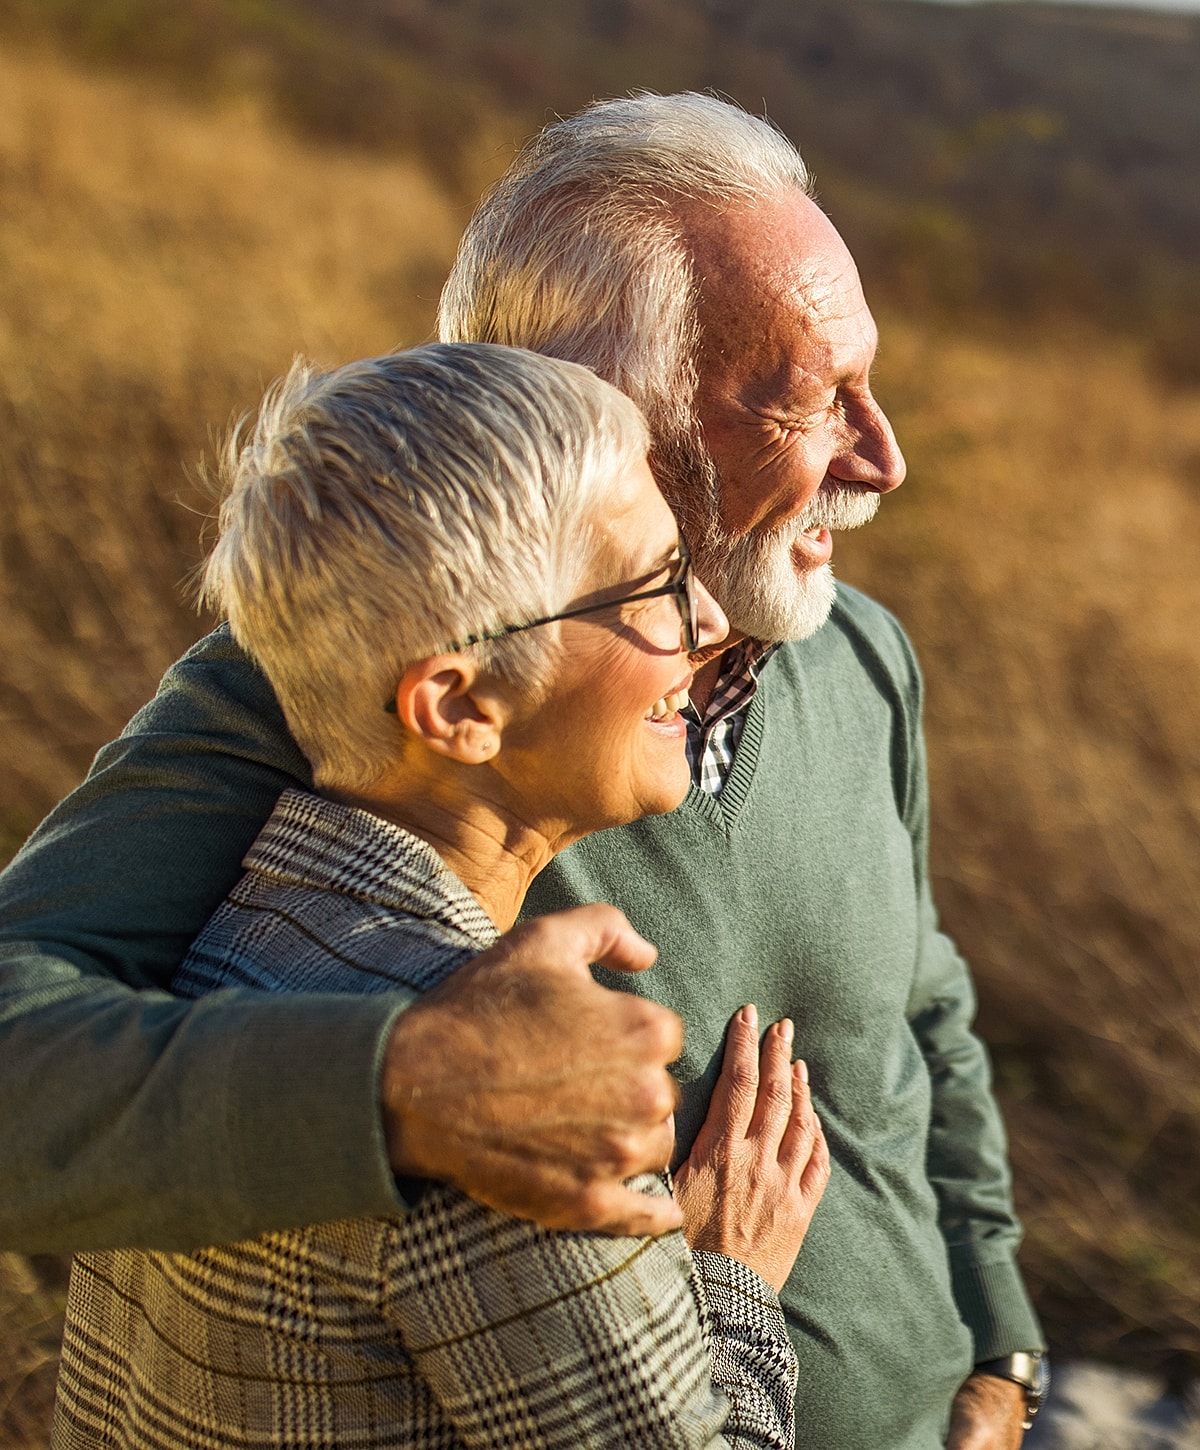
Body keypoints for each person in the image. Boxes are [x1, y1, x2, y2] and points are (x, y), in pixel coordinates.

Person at [0, 93, 1045, 1446]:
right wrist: (403, 1083)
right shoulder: (344, 681)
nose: (885, 459)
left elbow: (924, 1010)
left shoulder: (864, 653)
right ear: (596, 412)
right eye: (806, 399)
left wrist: (1002, 1350)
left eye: (870, 381)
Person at [54, 343, 827, 1449]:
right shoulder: (512, 1112)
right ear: (459, 706)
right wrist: (728, 1280)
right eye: (655, 584)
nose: (706, 623)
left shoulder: (198, 950)